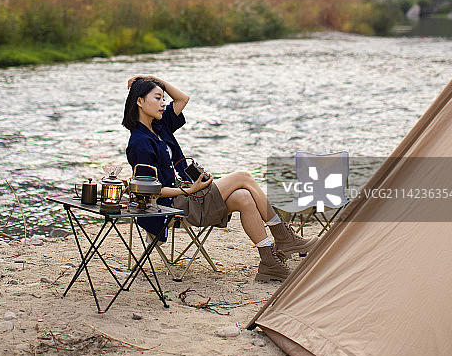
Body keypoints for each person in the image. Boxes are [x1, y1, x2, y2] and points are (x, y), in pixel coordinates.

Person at [122, 75, 317, 282]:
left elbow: (182, 99)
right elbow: (151, 190)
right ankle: (283, 237)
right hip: (172, 205)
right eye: (157, 98)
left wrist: (154, 79)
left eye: (163, 98)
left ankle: (269, 263)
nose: (163, 104)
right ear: (140, 102)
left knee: (243, 197)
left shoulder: (160, 127)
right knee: (243, 176)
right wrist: (189, 190)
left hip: (188, 194)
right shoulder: (139, 142)